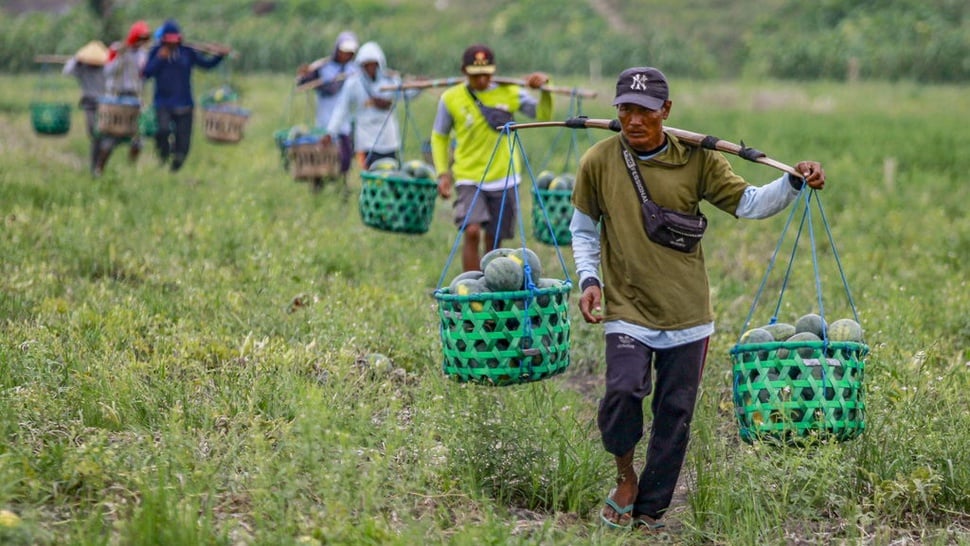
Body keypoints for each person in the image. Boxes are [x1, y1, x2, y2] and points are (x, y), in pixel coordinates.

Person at [570, 66, 826, 532]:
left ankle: (649, 513)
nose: (634, 120)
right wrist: (589, 280)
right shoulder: (599, 161)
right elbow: (584, 229)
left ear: (665, 111)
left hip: (688, 315)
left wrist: (792, 180)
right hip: (626, 309)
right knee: (623, 392)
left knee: (675, 417)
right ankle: (625, 478)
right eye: (625, 109)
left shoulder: (699, 160)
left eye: (645, 111)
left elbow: (749, 203)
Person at [431, 44, 553, 272]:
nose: (482, 80)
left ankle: (491, 286)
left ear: (494, 71)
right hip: (468, 176)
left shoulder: (510, 92)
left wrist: (544, 89)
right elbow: (439, 137)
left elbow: (542, 114)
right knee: (472, 230)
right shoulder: (451, 98)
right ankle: (470, 287)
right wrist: (442, 173)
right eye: (475, 75)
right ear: (464, 72)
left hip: (504, 176)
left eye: (487, 74)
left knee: (494, 239)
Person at [141, 19, 227, 172]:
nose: (172, 45)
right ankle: (163, 155)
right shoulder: (156, 52)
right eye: (168, 42)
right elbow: (146, 73)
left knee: (183, 144)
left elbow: (206, 65)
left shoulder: (187, 52)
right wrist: (160, 58)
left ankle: (174, 168)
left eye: (174, 41)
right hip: (163, 103)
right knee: (162, 130)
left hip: (184, 104)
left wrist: (219, 56)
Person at [324, 41, 419, 170]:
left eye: (373, 65)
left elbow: (406, 93)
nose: (370, 69)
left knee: (391, 173)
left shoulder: (390, 80)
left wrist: (419, 85)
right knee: (370, 175)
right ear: (361, 66)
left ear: (379, 64)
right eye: (366, 65)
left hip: (389, 139)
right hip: (366, 140)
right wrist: (331, 132)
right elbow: (341, 108)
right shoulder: (353, 83)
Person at [296, 31, 359, 190]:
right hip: (324, 119)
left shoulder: (356, 69)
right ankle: (317, 188)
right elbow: (303, 82)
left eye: (350, 52)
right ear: (337, 49)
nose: (346, 54)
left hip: (344, 122)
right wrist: (305, 75)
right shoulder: (323, 67)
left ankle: (342, 189)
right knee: (321, 157)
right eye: (344, 51)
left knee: (344, 158)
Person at [95, 20, 151, 174]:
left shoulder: (142, 54)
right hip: (116, 97)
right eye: (139, 38)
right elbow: (108, 71)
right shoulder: (117, 49)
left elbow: (143, 75)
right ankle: (99, 168)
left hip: (134, 98)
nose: (141, 42)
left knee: (138, 136)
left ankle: (131, 167)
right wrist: (120, 56)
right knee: (112, 134)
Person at [62, 40, 108, 176]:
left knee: (103, 134)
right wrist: (76, 60)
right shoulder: (83, 69)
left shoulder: (105, 68)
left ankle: (98, 165)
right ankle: (95, 166)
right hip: (89, 103)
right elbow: (66, 71)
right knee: (94, 133)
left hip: (105, 104)